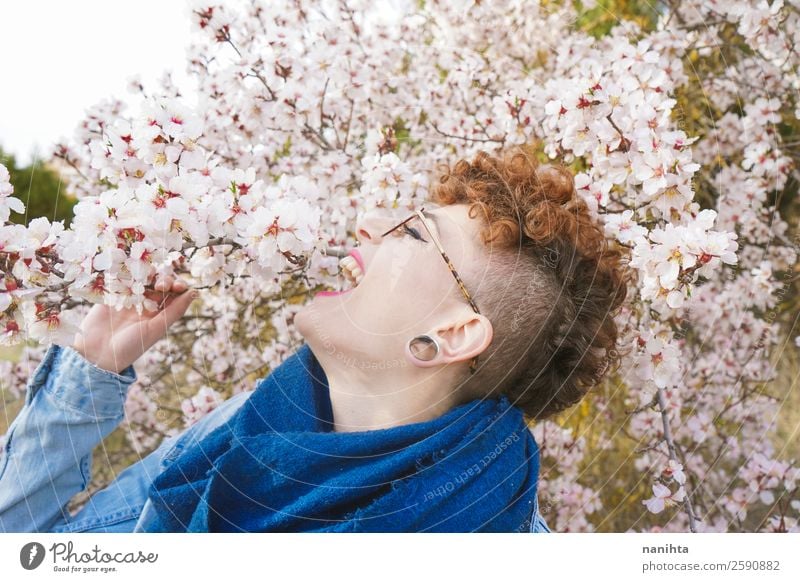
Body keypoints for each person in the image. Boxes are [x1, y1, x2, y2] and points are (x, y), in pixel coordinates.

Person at [0, 145, 629, 532]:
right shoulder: (246, 431)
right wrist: (90, 371)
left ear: (453, 332)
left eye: (413, 233)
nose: (369, 220)